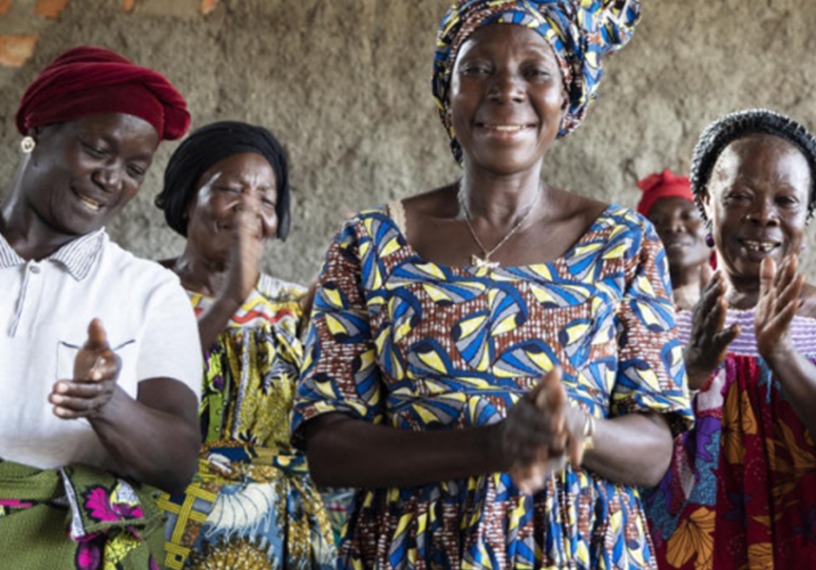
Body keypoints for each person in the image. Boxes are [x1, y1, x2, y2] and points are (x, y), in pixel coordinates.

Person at [292, 1, 692, 568]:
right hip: (413, 552)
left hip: (579, 550)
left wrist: (575, 428)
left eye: (536, 72)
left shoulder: (623, 243)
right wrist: (491, 446)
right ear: (446, 93)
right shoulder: (371, 242)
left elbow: (653, 453)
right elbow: (329, 448)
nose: (507, 91)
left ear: (568, 97)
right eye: (477, 69)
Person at [644, 109, 816, 570]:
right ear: (707, 203)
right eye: (739, 196)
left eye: (786, 201)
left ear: (807, 215)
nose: (762, 216)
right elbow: (620, 462)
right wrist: (689, 372)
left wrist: (783, 355)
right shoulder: (656, 326)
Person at [0, 46, 201, 569]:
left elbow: (178, 462)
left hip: (68, 553)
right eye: (97, 150)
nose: (113, 179)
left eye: (135, 167)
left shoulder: (148, 292)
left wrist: (107, 403)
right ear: (39, 131)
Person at [151, 121, 336, 570]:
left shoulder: (296, 305)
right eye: (229, 190)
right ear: (187, 196)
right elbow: (153, 399)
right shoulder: (145, 291)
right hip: (181, 527)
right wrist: (231, 296)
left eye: (266, 200)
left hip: (286, 531)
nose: (248, 210)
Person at [638, 169, 713, 310]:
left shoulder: (739, 304)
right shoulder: (625, 308)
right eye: (657, 221)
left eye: (687, 216)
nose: (673, 226)